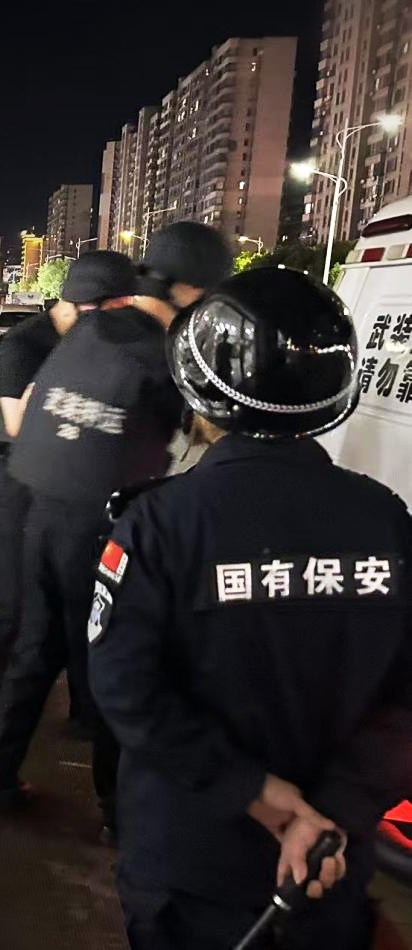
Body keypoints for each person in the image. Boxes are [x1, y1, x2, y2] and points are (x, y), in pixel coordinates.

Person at [89, 267, 412, 950]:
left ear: (203, 395)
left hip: (189, 862)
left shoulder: (160, 523)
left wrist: (255, 792)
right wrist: (331, 811)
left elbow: (124, 687)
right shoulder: (387, 521)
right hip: (325, 865)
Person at [0, 248, 184, 823]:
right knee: (112, 659)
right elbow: (182, 427)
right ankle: (116, 808)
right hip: (92, 526)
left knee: (36, 652)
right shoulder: (137, 346)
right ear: (119, 300)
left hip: (45, 513)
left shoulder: (75, 345)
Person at [0, 297, 78, 689]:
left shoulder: (76, 340)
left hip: (55, 471)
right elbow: (15, 423)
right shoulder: (22, 344)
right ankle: (7, 684)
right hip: (14, 472)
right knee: (16, 578)